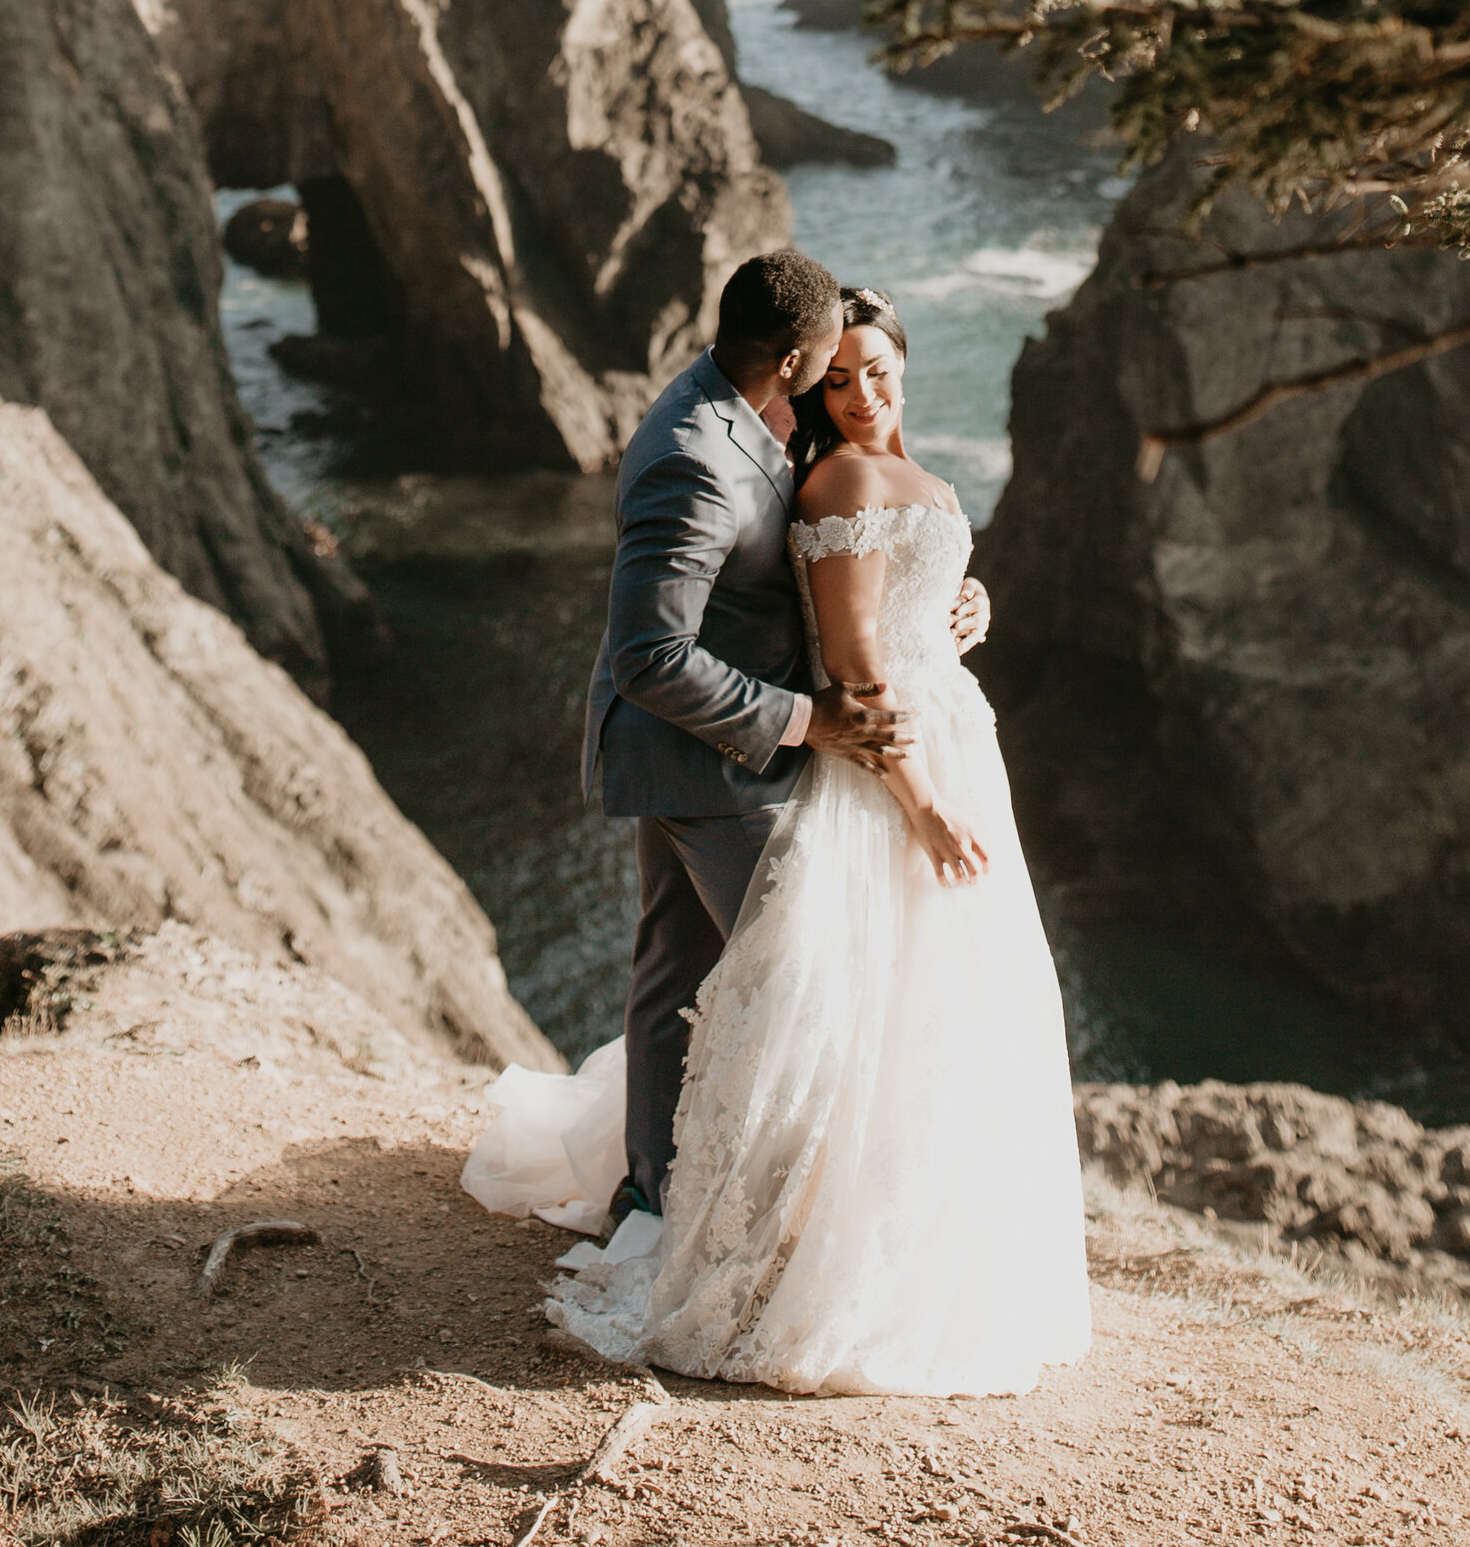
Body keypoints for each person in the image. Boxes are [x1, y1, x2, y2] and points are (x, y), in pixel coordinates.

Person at [465, 282, 1088, 1398]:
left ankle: (659, 1193)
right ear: (800, 362)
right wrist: (876, 765)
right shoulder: (718, 454)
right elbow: (683, 651)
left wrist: (967, 597)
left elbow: (892, 574)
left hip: (823, 737)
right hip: (731, 750)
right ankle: (742, 1229)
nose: (855, 392)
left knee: (678, 974)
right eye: (836, 373)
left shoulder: (783, 420)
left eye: (875, 372)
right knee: (807, 989)